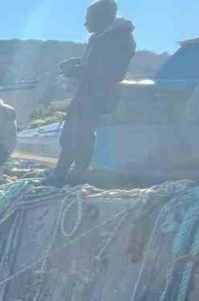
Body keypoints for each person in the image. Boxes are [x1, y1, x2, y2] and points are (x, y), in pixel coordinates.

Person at [47, 0, 136, 186]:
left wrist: (74, 71)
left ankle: (69, 176)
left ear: (103, 17)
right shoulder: (102, 36)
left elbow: (108, 73)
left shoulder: (117, 37)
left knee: (79, 134)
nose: (85, 23)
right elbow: (96, 66)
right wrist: (77, 63)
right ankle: (67, 175)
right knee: (75, 133)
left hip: (98, 94)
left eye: (88, 19)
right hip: (89, 92)